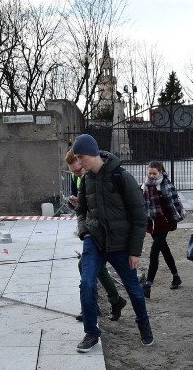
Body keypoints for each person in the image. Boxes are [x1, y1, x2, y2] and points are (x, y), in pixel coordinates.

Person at [72, 134, 154, 352]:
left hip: (120, 245)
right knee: (87, 284)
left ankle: (144, 325)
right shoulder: (87, 179)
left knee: (134, 289)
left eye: (81, 158)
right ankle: (91, 333)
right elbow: (81, 210)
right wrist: (85, 233)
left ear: (92, 153)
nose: (79, 164)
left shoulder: (121, 176)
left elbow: (140, 218)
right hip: (94, 242)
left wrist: (134, 251)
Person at [64, 150, 127, 322]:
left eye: (78, 170)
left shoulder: (98, 176)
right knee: (89, 267)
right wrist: (76, 204)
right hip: (92, 233)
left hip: (107, 234)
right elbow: (82, 209)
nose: (76, 173)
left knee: (86, 267)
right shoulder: (79, 177)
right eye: (73, 172)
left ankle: (101, 304)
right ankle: (110, 302)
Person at [141, 161, 185, 298]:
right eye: (149, 173)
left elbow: (174, 202)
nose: (152, 176)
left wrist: (177, 216)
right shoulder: (144, 185)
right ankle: (176, 276)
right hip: (152, 222)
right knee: (164, 249)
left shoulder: (166, 185)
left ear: (161, 172)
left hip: (164, 222)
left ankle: (148, 285)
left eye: (154, 173)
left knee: (154, 252)